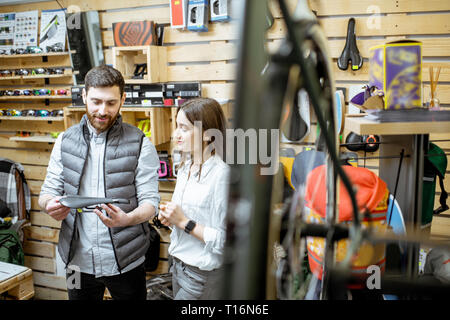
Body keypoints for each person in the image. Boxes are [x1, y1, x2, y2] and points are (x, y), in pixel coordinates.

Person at [38, 65, 160, 300]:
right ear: (84, 96)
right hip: (76, 261)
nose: (102, 111)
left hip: (127, 261)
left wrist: (128, 219)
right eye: (95, 101)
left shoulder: (140, 143)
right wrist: (49, 206)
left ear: (123, 99)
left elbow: (150, 202)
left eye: (111, 103)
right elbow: (47, 193)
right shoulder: (64, 141)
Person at [157, 98, 230, 300]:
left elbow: (228, 242)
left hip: (202, 275)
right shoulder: (185, 167)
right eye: (176, 126)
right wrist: (171, 220)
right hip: (178, 266)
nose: (176, 135)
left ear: (208, 134)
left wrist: (184, 222)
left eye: (184, 128)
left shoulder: (222, 176)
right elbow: (186, 219)